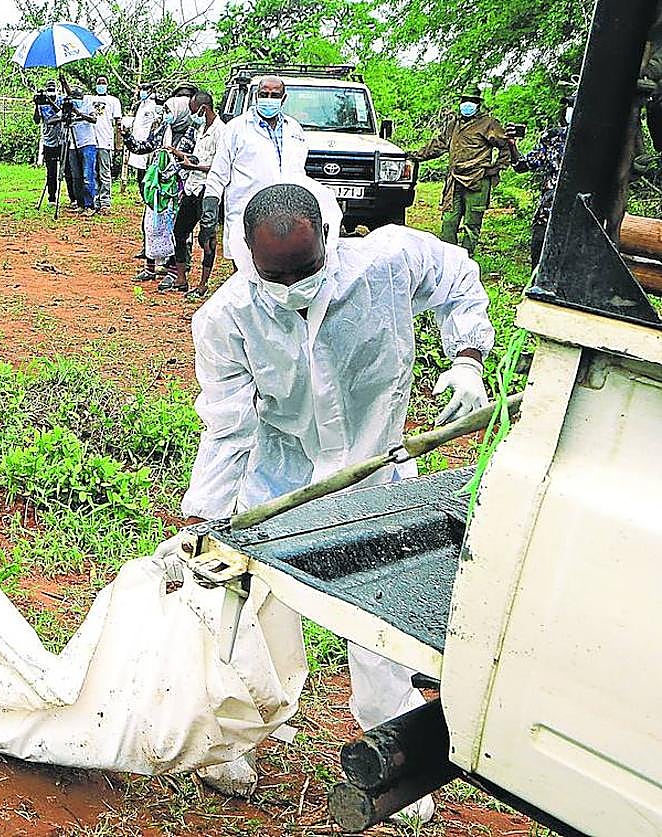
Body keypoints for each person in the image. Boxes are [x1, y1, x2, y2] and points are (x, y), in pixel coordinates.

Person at [181, 182, 494, 820]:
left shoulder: (387, 262)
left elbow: (457, 277)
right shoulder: (227, 316)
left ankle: (396, 757)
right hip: (281, 486)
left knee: (385, 620)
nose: (291, 285)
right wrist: (210, 515)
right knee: (255, 618)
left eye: (305, 269)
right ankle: (231, 740)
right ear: (248, 256)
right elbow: (229, 424)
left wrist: (464, 360)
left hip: (376, 481)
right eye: (276, 275)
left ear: (329, 234)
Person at [200, 75, 309, 271]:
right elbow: (218, 175)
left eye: (274, 95)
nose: (269, 99)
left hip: (287, 222)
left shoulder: (294, 130)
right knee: (245, 280)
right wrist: (208, 216)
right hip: (246, 219)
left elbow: (299, 174)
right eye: (263, 94)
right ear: (255, 96)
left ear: (283, 99)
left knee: (279, 282)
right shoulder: (236, 128)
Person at [409, 86, 514, 255]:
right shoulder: (455, 124)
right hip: (455, 180)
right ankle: (447, 257)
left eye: (471, 101)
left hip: (477, 180)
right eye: (465, 100)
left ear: (478, 104)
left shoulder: (489, 124)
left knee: (472, 223)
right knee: (449, 220)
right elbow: (438, 144)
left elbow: (506, 147)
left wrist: (494, 169)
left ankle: (466, 259)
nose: (467, 104)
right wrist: (414, 155)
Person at [161, 90, 224, 297]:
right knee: (180, 231)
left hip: (209, 189)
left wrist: (193, 166)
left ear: (204, 109)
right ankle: (181, 278)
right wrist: (181, 155)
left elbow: (220, 166)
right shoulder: (199, 129)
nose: (192, 116)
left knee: (207, 237)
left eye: (194, 111)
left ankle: (203, 284)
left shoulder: (221, 132)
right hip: (192, 186)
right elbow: (198, 157)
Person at [124, 105, 191, 282]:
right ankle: (150, 266)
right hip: (157, 187)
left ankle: (173, 271)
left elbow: (193, 158)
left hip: (177, 188)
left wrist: (176, 158)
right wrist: (127, 137)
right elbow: (143, 147)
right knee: (150, 225)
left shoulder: (190, 133)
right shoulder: (163, 129)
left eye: (171, 110)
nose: (167, 114)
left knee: (175, 230)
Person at [514, 96, 571, 266]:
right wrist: (511, 144)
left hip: (580, 212)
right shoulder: (553, 138)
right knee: (539, 250)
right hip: (549, 209)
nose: (570, 110)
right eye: (569, 106)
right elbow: (522, 165)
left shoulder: (599, 140)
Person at [85, 76, 122, 214]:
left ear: (107, 85)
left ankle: (105, 202)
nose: (101, 85)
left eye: (103, 83)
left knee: (104, 173)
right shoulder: (90, 100)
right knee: (92, 173)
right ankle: (95, 201)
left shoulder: (113, 101)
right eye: (99, 83)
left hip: (105, 141)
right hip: (90, 141)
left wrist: (118, 144)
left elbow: (118, 122)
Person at [61, 81, 99, 216]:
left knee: (87, 175)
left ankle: (90, 205)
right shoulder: (68, 108)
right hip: (73, 145)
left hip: (87, 144)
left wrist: (79, 113)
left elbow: (94, 119)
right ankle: (80, 203)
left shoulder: (88, 105)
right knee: (76, 176)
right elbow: (55, 120)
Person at [33, 81, 66, 206]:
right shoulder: (42, 104)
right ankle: (52, 197)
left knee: (66, 170)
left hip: (62, 139)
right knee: (51, 172)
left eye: (53, 89)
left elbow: (62, 112)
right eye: (49, 89)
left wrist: (50, 102)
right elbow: (36, 120)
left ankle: (73, 198)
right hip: (48, 141)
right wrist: (37, 105)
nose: (51, 91)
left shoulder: (61, 100)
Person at [127, 83, 161, 198]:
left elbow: (157, 124)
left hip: (148, 144)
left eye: (145, 89)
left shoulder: (154, 105)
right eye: (141, 89)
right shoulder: (141, 105)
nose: (142, 91)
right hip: (137, 142)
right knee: (139, 173)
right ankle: (144, 196)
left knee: (146, 173)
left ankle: (148, 196)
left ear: (151, 90)